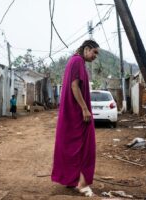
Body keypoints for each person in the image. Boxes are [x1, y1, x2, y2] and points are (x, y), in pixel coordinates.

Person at [51, 40, 99, 197]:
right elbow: (74, 86)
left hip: (72, 113)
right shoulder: (77, 60)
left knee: (72, 146)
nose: (95, 56)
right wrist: (85, 108)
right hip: (78, 113)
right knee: (87, 147)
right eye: (94, 52)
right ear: (86, 49)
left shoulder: (75, 60)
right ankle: (82, 184)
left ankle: (71, 179)